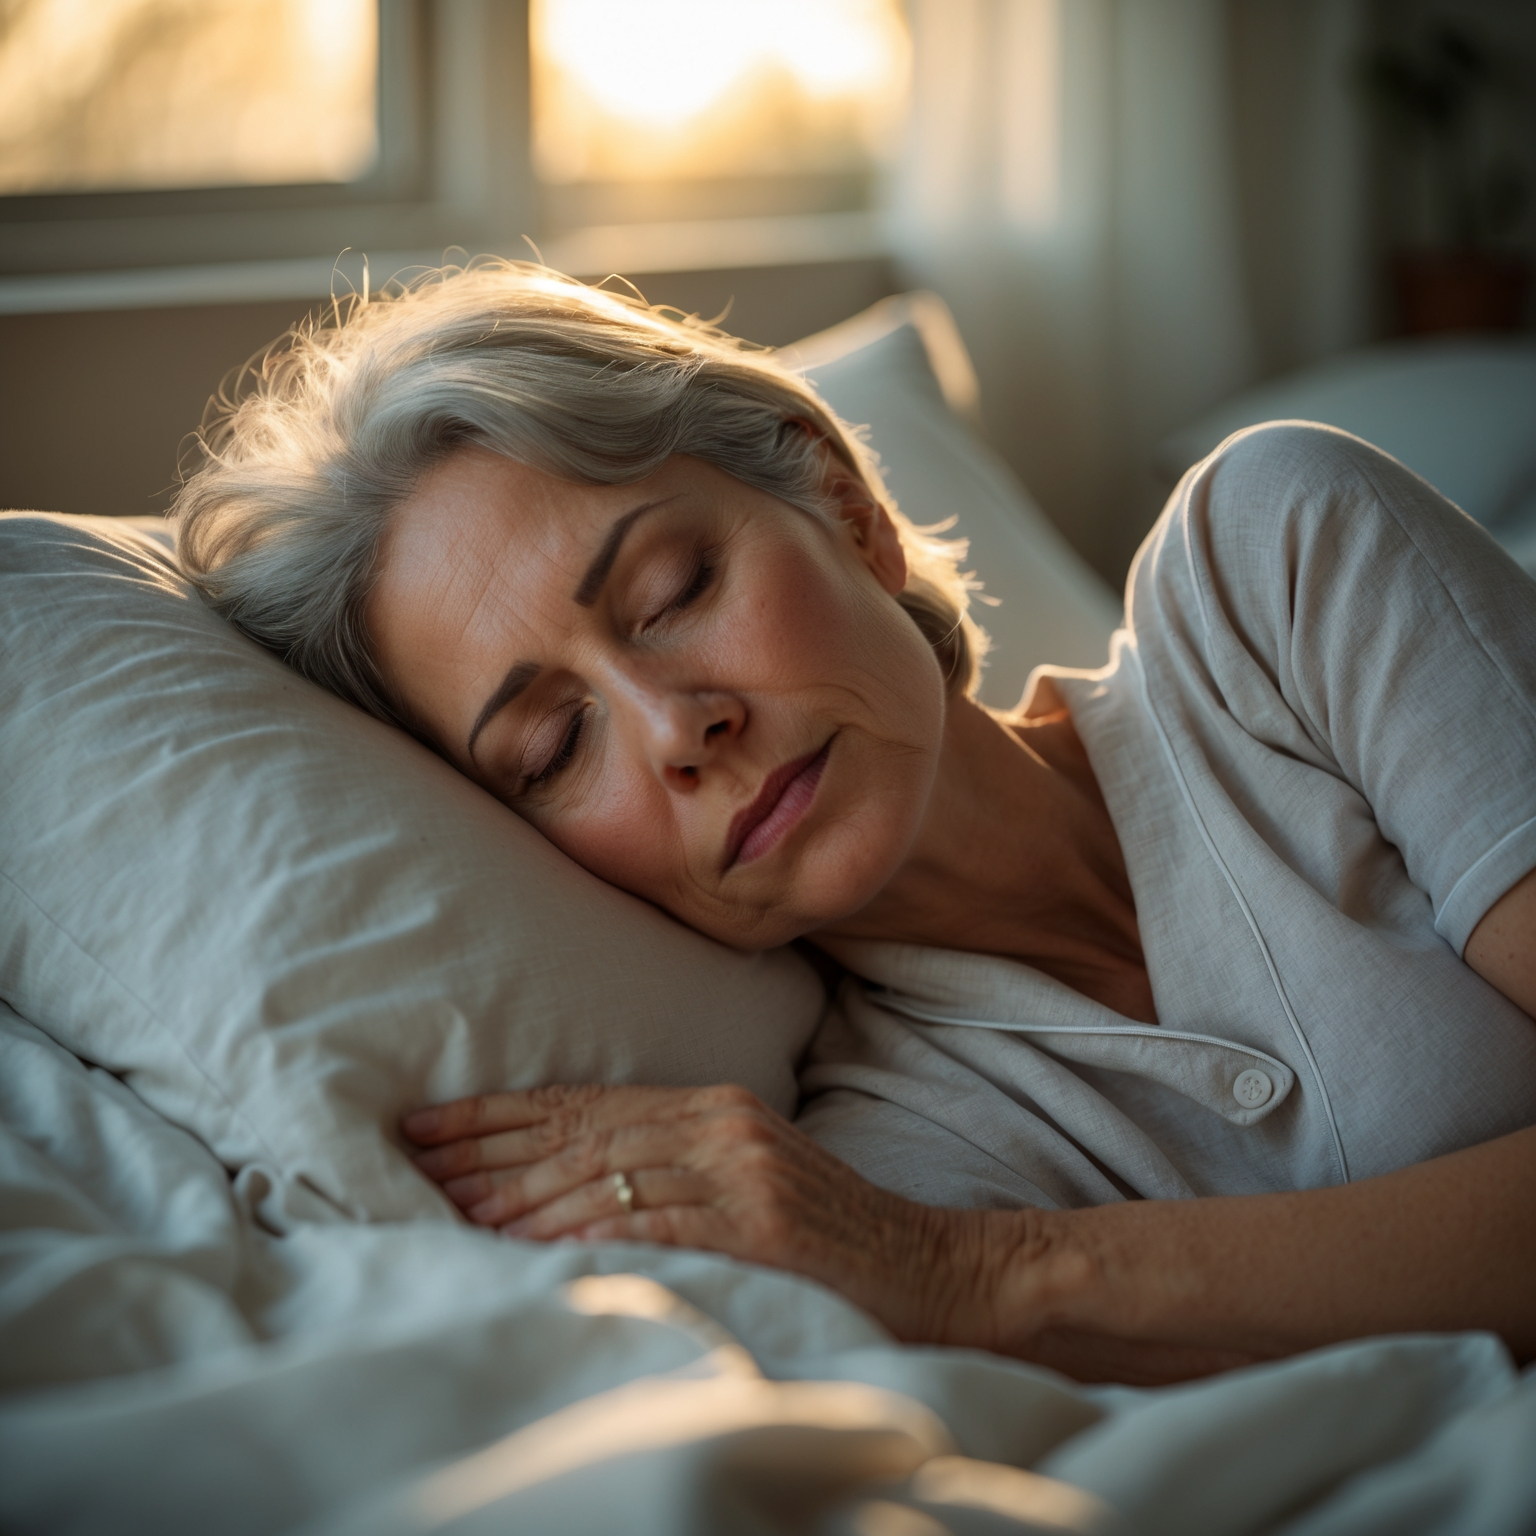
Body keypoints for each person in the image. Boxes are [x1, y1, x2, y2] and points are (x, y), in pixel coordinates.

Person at [176, 262, 1536, 1384]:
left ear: (843, 506)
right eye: (553, 746)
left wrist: (992, 1282)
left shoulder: (1275, 571)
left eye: (670, 588)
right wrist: (926, 1263)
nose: (671, 727)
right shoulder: (892, 1162)